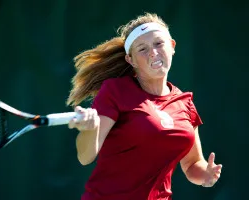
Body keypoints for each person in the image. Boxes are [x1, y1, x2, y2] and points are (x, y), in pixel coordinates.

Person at [66, 12, 222, 200]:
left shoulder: (184, 102)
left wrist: (205, 174)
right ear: (130, 60)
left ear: (172, 46)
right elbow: (85, 157)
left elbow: (192, 164)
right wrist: (90, 130)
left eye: (158, 43)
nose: (153, 53)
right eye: (142, 49)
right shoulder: (115, 91)